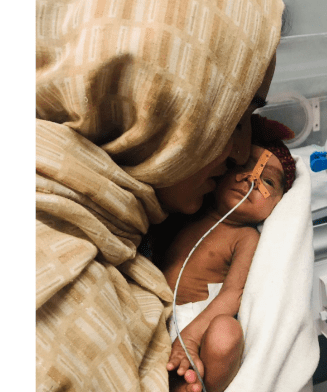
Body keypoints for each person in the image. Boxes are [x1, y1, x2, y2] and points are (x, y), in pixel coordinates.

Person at [35, 1, 285, 391]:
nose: (240, 154)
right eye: (232, 121)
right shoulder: (60, 305)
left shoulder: (111, 218)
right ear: (151, 104)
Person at [158, 116, 296, 392]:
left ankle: (200, 384)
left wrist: (192, 338)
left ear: (279, 205)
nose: (251, 180)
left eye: (267, 180)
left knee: (226, 332)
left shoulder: (245, 236)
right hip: (159, 314)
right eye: (244, 167)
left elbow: (233, 294)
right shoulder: (188, 210)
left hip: (201, 322)